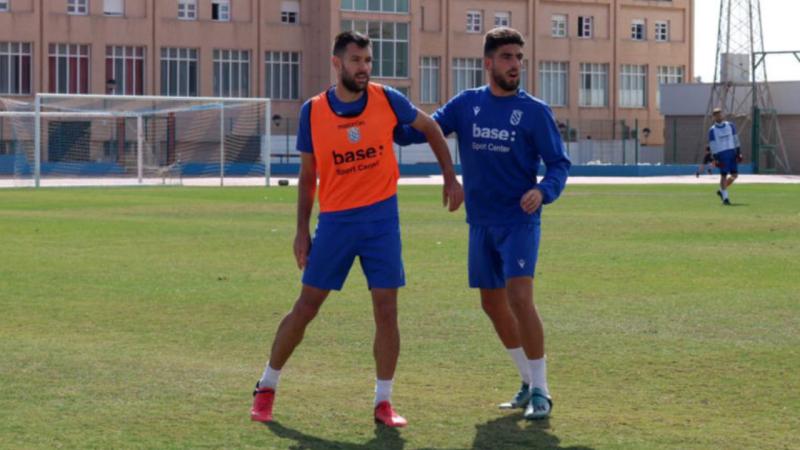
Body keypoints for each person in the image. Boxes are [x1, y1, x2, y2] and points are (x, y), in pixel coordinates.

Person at [250, 31, 464, 427]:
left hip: (381, 221)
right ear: (337, 63)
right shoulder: (313, 111)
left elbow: (431, 128)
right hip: (336, 222)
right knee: (306, 307)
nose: (364, 68)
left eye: (368, 61)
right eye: (356, 61)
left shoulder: (387, 99)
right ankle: (266, 387)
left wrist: (450, 177)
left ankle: (384, 401)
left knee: (386, 310)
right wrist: (301, 231)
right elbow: (308, 175)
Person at [394, 27, 570, 420]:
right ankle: (526, 380)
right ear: (488, 62)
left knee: (520, 299)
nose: (515, 64)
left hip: (519, 221)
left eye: (519, 57)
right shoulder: (466, 104)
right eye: (507, 57)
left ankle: (542, 391)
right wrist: (386, 112)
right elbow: (419, 132)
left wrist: (543, 190)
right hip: (480, 223)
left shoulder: (535, 111)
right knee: (491, 304)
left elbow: (559, 164)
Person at [708, 107, 742, 205]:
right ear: (714, 117)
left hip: (732, 152)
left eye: (720, 114)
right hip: (722, 154)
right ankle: (725, 199)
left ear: (723, 115)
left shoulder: (730, 125)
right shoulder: (712, 130)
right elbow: (712, 145)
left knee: (735, 175)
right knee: (723, 175)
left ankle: (721, 191)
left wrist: (738, 152)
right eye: (716, 115)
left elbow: (735, 139)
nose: (719, 116)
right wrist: (715, 158)